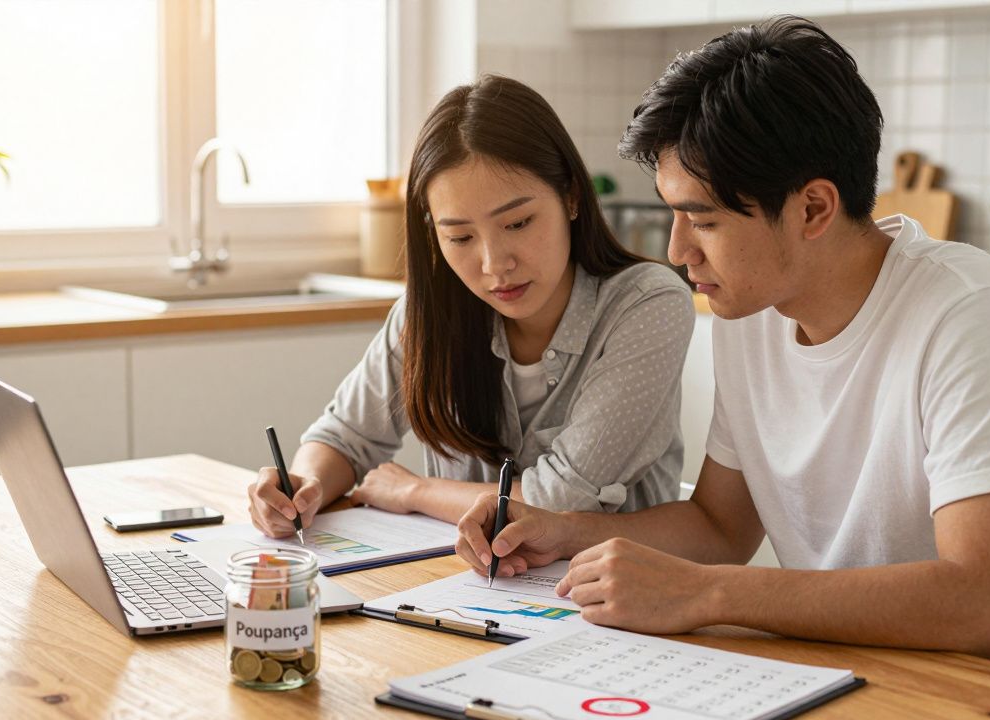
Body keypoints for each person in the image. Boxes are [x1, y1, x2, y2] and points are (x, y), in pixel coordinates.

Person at [454, 17, 990, 685]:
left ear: (813, 209)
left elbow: (987, 607)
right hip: (845, 679)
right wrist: (565, 530)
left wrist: (708, 593)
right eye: (674, 215)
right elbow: (719, 526)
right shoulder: (752, 314)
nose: (677, 251)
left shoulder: (972, 316)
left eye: (703, 220)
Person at [248, 75, 695, 534]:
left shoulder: (647, 304)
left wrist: (417, 491)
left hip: (601, 578)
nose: (494, 264)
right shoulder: (426, 314)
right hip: (456, 576)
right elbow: (344, 437)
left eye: (518, 223)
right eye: (460, 237)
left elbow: (561, 499)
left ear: (571, 197)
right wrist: (304, 485)